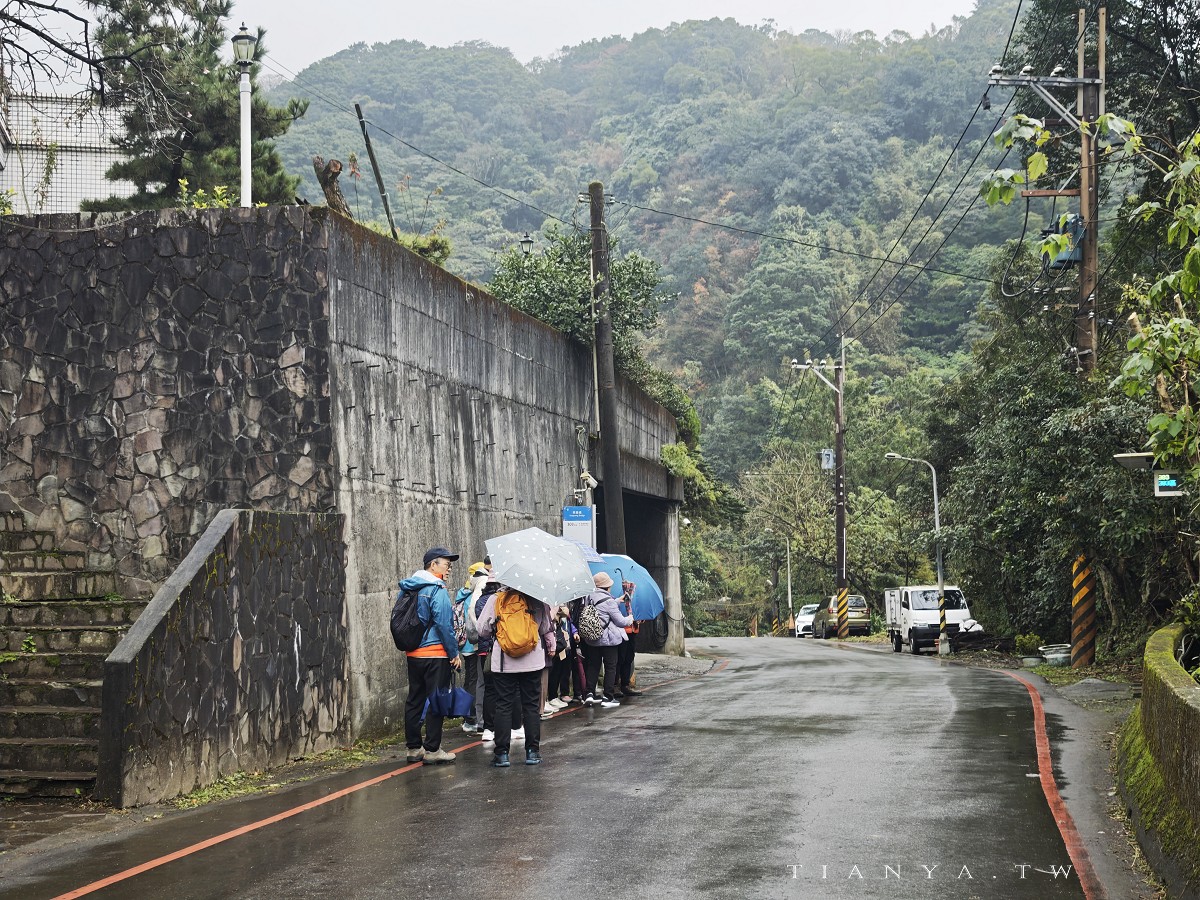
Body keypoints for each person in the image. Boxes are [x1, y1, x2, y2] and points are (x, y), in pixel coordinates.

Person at [477, 587, 555, 766]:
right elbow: (544, 627)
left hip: (505, 661)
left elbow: (482, 630)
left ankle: (502, 754)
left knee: (503, 705)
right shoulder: (538, 599)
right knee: (531, 706)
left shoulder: (496, 599)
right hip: (533, 660)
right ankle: (532, 752)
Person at [399, 547, 462, 764]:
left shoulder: (408, 587)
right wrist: (453, 653)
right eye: (446, 563)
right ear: (433, 565)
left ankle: (413, 748)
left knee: (415, 699)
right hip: (435, 653)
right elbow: (445, 624)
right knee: (437, 700)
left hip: (414, 653)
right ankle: (433, 749)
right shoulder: (437, 589)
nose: (449, 568)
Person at [581, 572, 632, 708]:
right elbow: (620, 622)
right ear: (607, 587)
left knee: (593, 666)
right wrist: (630, 619)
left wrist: (617, 601)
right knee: (610, 667)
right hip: (608, 640)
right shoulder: (609, 601)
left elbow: (600, 608)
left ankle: (589, 694)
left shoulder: (589, 597)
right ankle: (608, 697)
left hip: (592, 638)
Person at [454, 562, 488, 733]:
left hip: (465, 645)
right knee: (476, 681)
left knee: (470, 680)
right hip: (474, 644)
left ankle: (468, 717)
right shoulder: (476, 593)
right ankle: (472, 717)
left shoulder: (462, 593)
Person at [615, 581, 643, 697]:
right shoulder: (618, 596)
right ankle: (615, 685)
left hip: (633, 630)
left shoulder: (635, 597)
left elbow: (641, 610)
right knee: (619, 658)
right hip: (621, 631)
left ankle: (625, 684)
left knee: (629, 657)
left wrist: (640, 619)